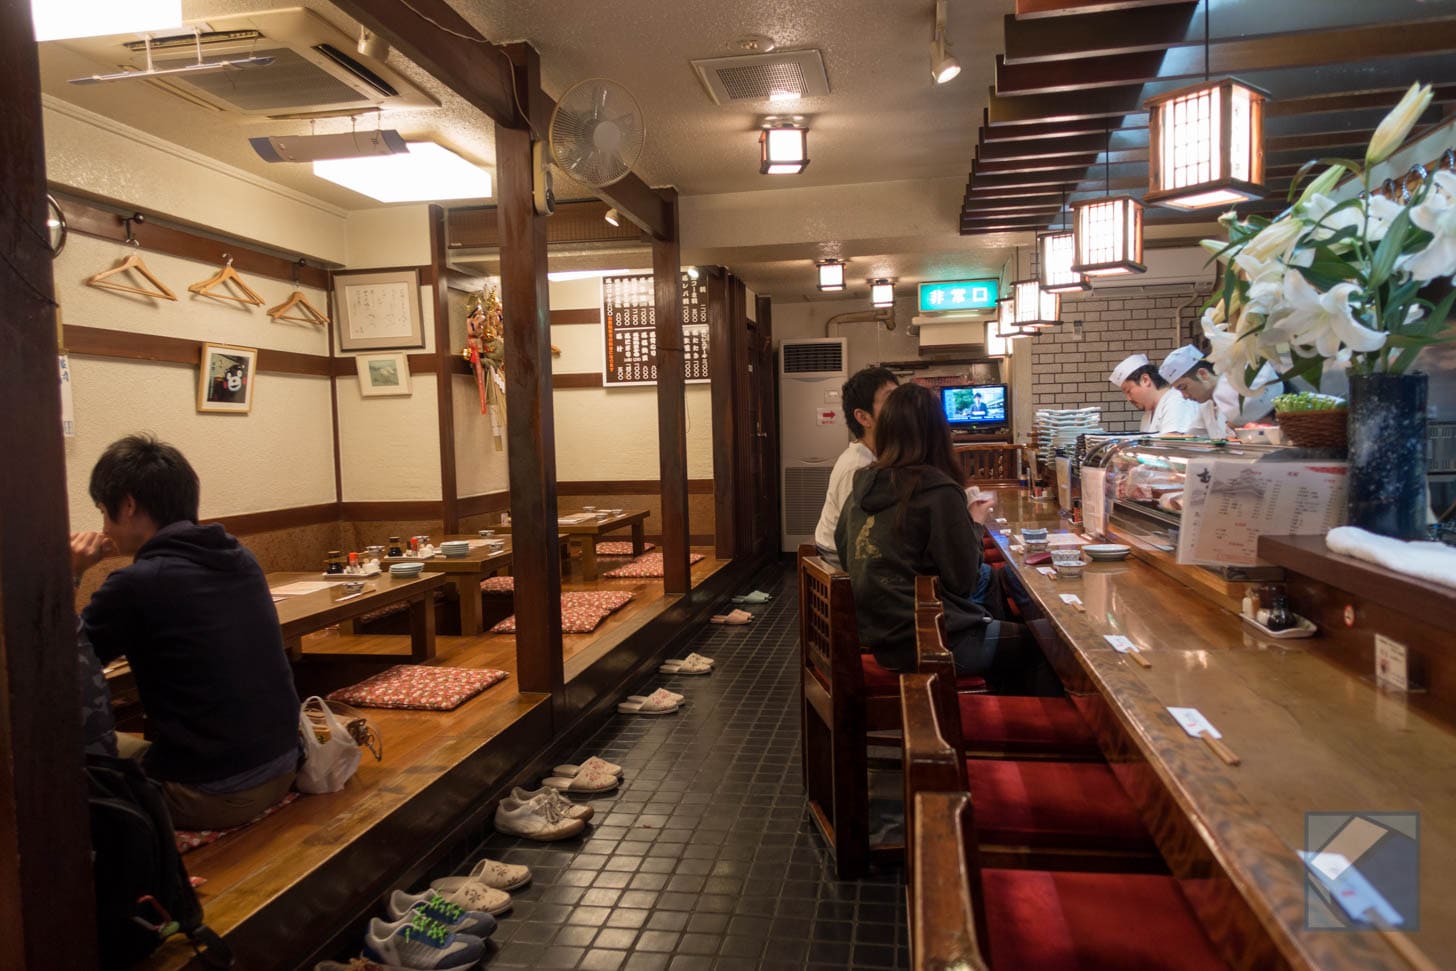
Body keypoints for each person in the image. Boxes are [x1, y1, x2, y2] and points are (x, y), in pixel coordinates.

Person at [71, 434, 301, 830]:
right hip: (283, 766)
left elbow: (64, 666)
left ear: (127, 505)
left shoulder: (137, 583)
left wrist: (69, 573)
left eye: (104, 512)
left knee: (61, 758)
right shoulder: (238, 556)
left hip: (214, 794)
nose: (104, 527)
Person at [835, 383, 1059, 695]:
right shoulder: (937, 490)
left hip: (878, 631)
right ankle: (1003, 733)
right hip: (926, 638)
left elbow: (845, 549)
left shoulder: (864, 483)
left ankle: (990, 705)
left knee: (994, 586)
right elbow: (962, 582)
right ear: (939, 432)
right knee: (1044, 648)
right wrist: (974, 523)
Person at [813, 366, 898, 567]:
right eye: (891, 399)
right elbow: (856, 540)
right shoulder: (857, 466)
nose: (901, 407)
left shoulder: (879, 455)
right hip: (840, 560)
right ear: (863, 417)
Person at [1159, 345, 1282, 438]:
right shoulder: (1207, 406)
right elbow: (1192, 438)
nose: (1184, 397)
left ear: (1203, 374)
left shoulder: (1240, 390)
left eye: (1183, 387)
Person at [1109, 352, 1200, 434]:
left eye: (1128, 391)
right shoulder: (1148, 414)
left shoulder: (1176, 400)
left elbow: (1174, 444)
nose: (1128, 398)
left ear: (1145, 380)